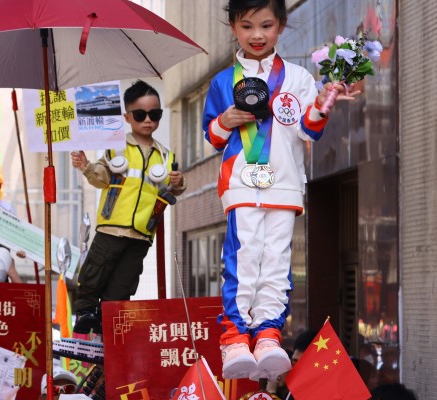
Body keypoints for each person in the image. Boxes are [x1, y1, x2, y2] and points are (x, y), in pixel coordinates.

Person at [202, 0, 359, 381]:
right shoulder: (224, 81)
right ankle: (236, 337)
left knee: (276, 260)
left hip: (285, 184)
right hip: (240, 182)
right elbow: (212, 135)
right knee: (243, 258)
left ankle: (269, 334)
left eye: (266, 26)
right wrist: (226, 119)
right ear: (233, 27)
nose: (257, 35)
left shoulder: (298, 78)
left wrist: (323, 104)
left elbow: (309, 129)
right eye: (247, 26)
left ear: (282, 26)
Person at [71, 80, 185, 334]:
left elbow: (172, 188)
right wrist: (86, 166)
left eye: (154, 114)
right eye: (140, 114)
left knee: (124, 283)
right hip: (111, 227)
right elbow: (101, 178)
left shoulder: (166, 156)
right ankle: (85, 312)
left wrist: (178, 182)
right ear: (127, 116)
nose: (148, 120)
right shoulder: (115, 147)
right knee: (94, 272)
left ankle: (110, 322)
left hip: (142, 233)